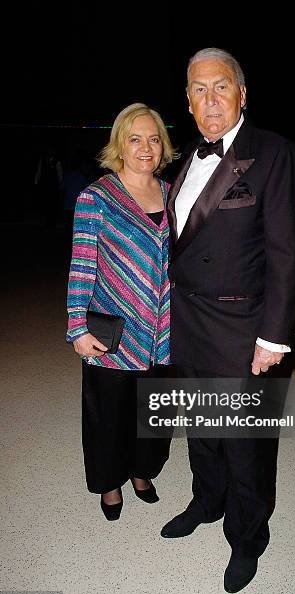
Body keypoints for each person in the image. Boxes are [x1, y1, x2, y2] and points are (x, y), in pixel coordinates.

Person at [162, 48, 295, 593]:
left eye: (220, 86)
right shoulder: (184, 162)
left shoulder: (274, 154)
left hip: (240, 326)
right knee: (200, 429)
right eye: (198, 90)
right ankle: (206, 500)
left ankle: (248, 535)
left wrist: (274, 336)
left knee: (243, 440)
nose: (210, 100)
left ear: (242, 93)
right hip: (187, 322)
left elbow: (288, 253)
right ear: (188, 101)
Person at [66, 103, 178, 521]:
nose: (145, 148)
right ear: (120, 145)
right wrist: (77, 325)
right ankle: (109, 482)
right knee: (108, 414)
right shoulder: (96, 197)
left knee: (153, 408)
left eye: (153, 139)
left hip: (162, 327)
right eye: (135, 138)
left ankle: (142, 471)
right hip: (113, 329)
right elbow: (82, 265)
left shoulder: (170, 194)